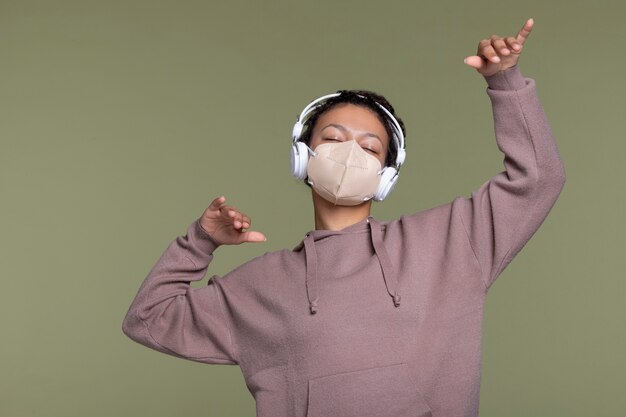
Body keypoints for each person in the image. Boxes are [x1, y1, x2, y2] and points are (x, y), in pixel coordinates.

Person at [122, 18, 565, 417]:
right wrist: (200, 240)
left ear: (386, 176)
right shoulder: (257, 288)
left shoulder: (451, 242)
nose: (351, 153)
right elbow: (147, 318)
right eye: (333, 138)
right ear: (303, 156)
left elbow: (540, 178)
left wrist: (504, 81)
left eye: (370, 147)